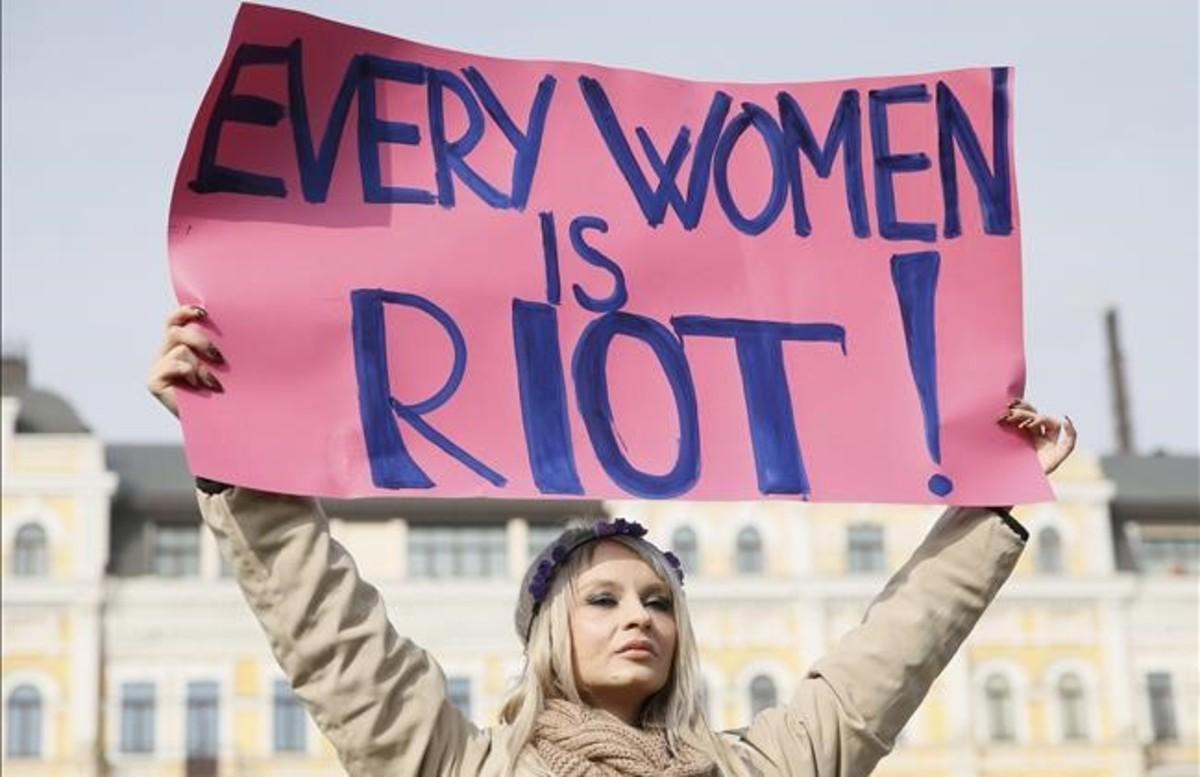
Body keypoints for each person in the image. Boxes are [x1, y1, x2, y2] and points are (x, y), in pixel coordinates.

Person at [148, 304, 1077, 777]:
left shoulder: (755, 766)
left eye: (659, 600)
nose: (641, 616)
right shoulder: (456, 763)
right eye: (605, 597)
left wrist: (992, 502)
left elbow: (890, 656)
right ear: (550, 628)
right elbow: (332, 635)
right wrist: (236, 445)